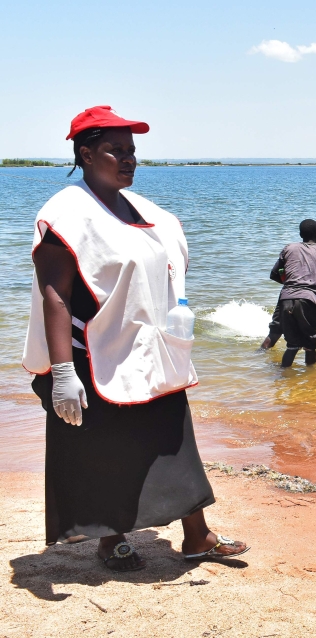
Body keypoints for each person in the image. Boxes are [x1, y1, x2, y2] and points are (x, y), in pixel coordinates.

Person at [23, 106, 248, 571]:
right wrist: (63, 372)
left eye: (132, 151)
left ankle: (196, 535)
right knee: (105, 450)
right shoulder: (66, 213)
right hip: (94, 355)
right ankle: (112, 540)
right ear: (86, 154)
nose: (128, 160)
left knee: (173, 440)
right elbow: (56, 298)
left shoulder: (145, 210)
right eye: (115, 151)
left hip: (150, 350)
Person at [267, 219, 316, 367]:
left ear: (300, 234)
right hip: (308, 300)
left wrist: (291, 285)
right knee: (310, 345)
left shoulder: (289, 248)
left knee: (292, 346)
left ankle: (284, 378)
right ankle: (310, 382)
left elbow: (274, 274)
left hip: (286, 298)